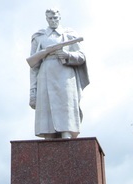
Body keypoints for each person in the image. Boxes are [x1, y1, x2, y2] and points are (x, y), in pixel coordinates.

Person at [29, 8, 89, 139]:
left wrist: (67, 54)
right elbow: (33, 66)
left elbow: (81, 56)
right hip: (45, 74)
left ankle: (66, 133)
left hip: (65, 75)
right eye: (50, 18)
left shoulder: (69, 35)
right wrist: (33, 90)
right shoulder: (39, 37)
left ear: (59, 18)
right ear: (46, 19)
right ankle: (48, 136)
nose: (53, 20)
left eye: (55, 18)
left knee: (65, 108)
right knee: (47, 113)